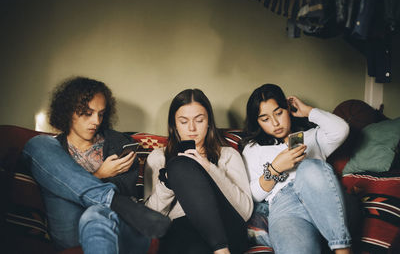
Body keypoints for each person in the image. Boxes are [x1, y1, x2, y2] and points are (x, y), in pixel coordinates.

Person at [22, 77, 170, 254]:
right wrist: (100, 175)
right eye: (87, 113)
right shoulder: (51, 151)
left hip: (113, 224)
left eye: (101, 113)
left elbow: (127, 188)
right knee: (37, 143)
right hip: (70, 228)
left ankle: (112, 203)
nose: (96, 121)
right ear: (68, 111)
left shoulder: (120, 143)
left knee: (96, 215)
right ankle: (111, 199)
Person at [241, 84, 352, 254]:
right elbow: (253, 195)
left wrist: (308, 111)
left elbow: (341, 129)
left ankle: (342, 249)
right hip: (285, 206)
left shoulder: (312, 136)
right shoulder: (253, 148)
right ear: (257, 122)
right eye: (265, 119)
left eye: (279, 113)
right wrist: (276, 168)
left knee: (308, 167)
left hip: (322, 198)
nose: (275, 123)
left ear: (288, 109)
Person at [144, 89, 253, 254]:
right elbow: (149, 218)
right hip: (182, 231)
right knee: (179, 165)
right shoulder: (158, 158)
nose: (192, 128)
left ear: (209, 122)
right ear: (174, 124)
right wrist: (168, 184)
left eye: (199, 120)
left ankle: (221, 249)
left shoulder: (228, 155)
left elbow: (244, 212)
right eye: (183, 121)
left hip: (226, 227)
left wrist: (209, 168)